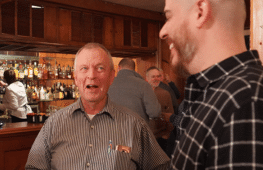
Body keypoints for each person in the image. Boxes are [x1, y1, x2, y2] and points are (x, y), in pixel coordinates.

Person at [159, 0, 263, 169]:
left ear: (200, 12)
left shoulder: (248, 101)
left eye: (169, 17)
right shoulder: (215, 94)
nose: (163, 32)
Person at [25, 43, 170, 170]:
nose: (91, 75)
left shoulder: (135, 125)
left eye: (100, 68)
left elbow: (161, 166)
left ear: (112, 76)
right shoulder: (53, 124)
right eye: (84, 68)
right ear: (76, 78)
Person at [108, 58, 161, 122]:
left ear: (119, 67)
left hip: (111, 129)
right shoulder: (144, 85)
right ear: (134, 69)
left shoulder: (108, 83)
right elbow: (154, 112)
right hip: (137, 129)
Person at [146, 66, 174, 152]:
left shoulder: (165, 93)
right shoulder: (140, 92)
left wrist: (167, 134)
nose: (156, 79)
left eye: (158, 76)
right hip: (145, 136)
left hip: (160, 137)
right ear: (147, 78)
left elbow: (171, 114)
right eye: (153, 76)